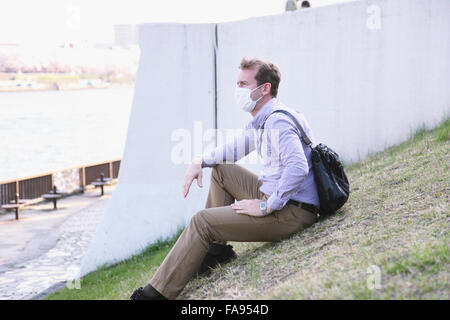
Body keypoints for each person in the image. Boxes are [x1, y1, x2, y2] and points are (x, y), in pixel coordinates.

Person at [129, 57, 320, 300]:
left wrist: (266, 206)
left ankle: (154, 296)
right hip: (284, 199)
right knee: (222, 170)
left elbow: (298, 167)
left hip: (292, 212)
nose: (237, 90)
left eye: (243, 84)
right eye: (237, 83)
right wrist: (200, 160)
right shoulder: (265, 118)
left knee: (202, 221)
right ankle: (215, 253)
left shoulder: (277, 121)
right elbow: (234, 149)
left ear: (265, 88)